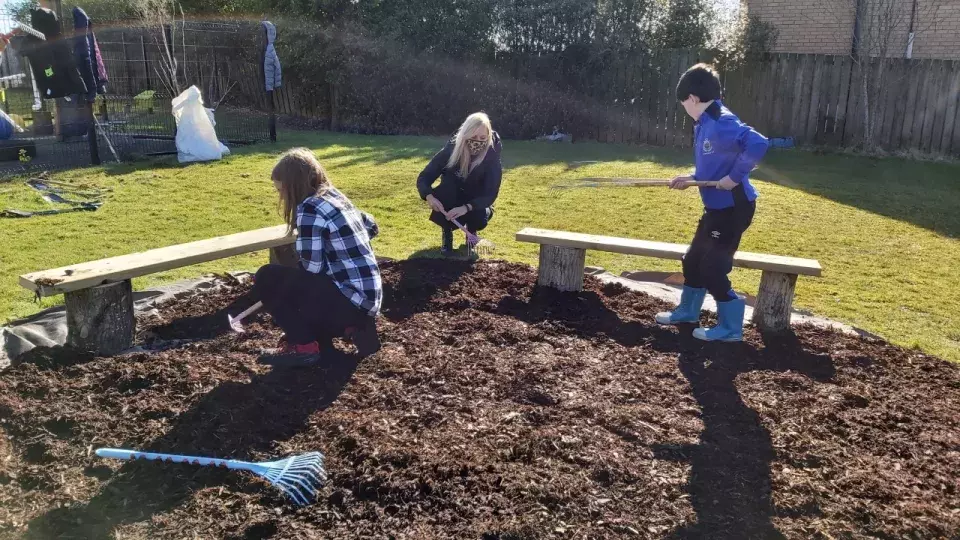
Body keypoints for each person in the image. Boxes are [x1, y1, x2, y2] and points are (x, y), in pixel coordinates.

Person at [655, 64, 769, 342]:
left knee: (712, 267)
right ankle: (688, 312)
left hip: (734, 209)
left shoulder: (722, 120)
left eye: (684, 104)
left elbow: (758, 143)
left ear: (692, 99)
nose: (685, 109)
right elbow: (714, 163)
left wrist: (734, 177)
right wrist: (691, 178)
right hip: (716, 209)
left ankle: (731, 328)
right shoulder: (704, 122)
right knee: (693, 260)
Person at [254, 148, 382, 366]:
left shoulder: (310, 208)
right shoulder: (335, 195)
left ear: (294, 186)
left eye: (281, 190)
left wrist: (282, 295)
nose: (281, 196)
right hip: (368, 298)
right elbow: (370, 225)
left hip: (348, 301)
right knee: (301, 288)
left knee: (268, 277)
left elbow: (312, 268)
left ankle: (303, 346)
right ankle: (356, 327)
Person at [417, 112, 502, 256]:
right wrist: (429, 196)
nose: (478, 142)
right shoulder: (450, 151)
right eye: (473, 137)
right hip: (452, 194)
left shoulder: (492, 157)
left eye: (482, 138)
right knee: (447, 189)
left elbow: (490, 194)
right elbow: (424, 177)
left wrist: (466, 208)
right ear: (465, 135)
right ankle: (447, 231)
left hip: (475, 199)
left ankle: (473, 228)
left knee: (479, 220)